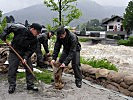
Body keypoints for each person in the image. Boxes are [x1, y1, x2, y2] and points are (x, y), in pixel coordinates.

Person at [0, 23, 42, 94]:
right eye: (37, 32)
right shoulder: (21, 29)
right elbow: (9, 26)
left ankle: (30, 85)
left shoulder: (35, 39)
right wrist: (4, 34)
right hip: (14, 51)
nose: (37, 34)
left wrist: (25, 57)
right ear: (32, 29)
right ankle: (12, 85)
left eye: (39, 33)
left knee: (29, 68)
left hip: (25, 53)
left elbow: (31, 50)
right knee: (12, 69)